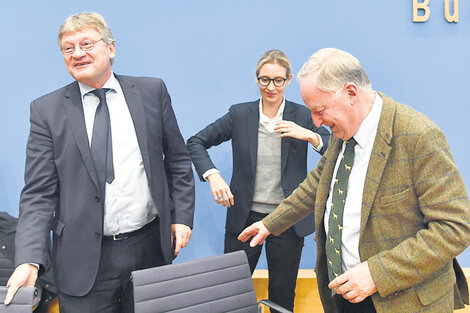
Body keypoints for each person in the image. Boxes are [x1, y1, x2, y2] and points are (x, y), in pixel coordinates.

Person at [239, 48, 470, 313]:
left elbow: (455, 228)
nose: (315, 121)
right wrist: (270, 223)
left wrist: (376, 273)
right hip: (345, 296)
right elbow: (319, 183)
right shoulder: (344, 131)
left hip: (402, 301)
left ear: (351, 92)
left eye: (320, 110)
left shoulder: (418, 136)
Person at [5, 12, 195, 313]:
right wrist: (29, 257)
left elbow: (178, 160)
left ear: (111, 48)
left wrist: (182, 215)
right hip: (83, 260)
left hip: (149, 248)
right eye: (68, 48)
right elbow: (38, 195)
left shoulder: (151, 92)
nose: (77, 53)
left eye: (86, 44)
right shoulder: (46, 111)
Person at [186, 49, 330, 311]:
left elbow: (335, 147)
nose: (271, 87)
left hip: (287, 219)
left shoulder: (303, 116)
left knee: (282, 297)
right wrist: (213, 174)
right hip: (245, 218)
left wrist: (310, 135)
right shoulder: (240, 114)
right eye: (264, 79)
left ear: (288, 81)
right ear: (256, 79)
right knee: (230, 294)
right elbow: (195, 142)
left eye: (278, 80)